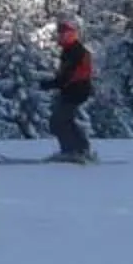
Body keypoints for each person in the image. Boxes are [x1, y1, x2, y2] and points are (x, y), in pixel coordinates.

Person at [42, 21, 96, 163]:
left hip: (76, 90)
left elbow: (69, 75)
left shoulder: (74, 50)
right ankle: (81, 149)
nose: (60, 37)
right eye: (60, 34)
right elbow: (66, 75)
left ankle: (72, 151)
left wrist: (51, 84)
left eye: (63, 34)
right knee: (65, 120)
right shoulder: (70, 50)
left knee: (58, 121)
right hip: (74, 90)